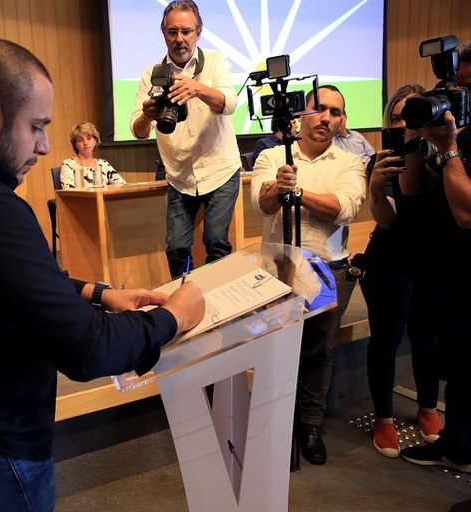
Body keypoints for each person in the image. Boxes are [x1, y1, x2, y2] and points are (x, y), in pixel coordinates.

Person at [0, 38, 205, 511]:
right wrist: (174, 317)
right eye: (36, 126)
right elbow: (87, 348)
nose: (45, 145)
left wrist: (96, 292)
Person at [249, 85, 366, 465]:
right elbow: (261, 206)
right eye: (320, 109)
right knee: (276, 349)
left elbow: (345, 209)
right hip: (278, 270)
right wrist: (278, 190)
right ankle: (275, 424)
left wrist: (297, 192)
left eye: (336, 112)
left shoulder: (350, 162)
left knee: (319, 351)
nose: (327, 118)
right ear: (302, 114)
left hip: (328, 270)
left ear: (342, 121)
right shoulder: (272, 155)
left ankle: (310, 425)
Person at [401, 40, 471, 498]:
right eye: (453, 86)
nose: (457, 97)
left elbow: (466, 213)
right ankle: (457, 444)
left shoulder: (457, 144)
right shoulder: (458, 135)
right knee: (460, 370)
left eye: (463, 87)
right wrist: (416, 142)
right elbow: (419, 190)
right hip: (450, 271)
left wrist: (447, 149)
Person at [359, 84, 442, 458]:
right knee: (386, 339)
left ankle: (428, 408)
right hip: (390, 260)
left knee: (428, 337)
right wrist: (376, 188)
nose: (404, 125)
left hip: (432, 260)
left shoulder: (443, 159)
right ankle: (384, 419)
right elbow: (388, 220)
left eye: (412, 117)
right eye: (397, 118)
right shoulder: (381, 161)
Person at [130, 0, 242, 279]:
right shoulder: (151, 75)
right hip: (179, 176)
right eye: (172, 32)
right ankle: (182, 298)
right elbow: (138, 130)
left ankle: (222, 297)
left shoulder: (214, 61)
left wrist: (197, 89)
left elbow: (229, 103)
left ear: (198, 32)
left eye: (186, 31)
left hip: (220, 169)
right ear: (164, 34)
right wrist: (147, 114)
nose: (179, 38)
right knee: (177, 247)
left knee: (216, 241)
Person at [60, 122, 126, 188]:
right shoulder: (69, 165)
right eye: (80, 140)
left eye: (89, 138)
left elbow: (122, 185)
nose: (85, 143)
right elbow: (68, 191)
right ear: (75, 145)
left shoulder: (103, 164)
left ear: (95, 140)